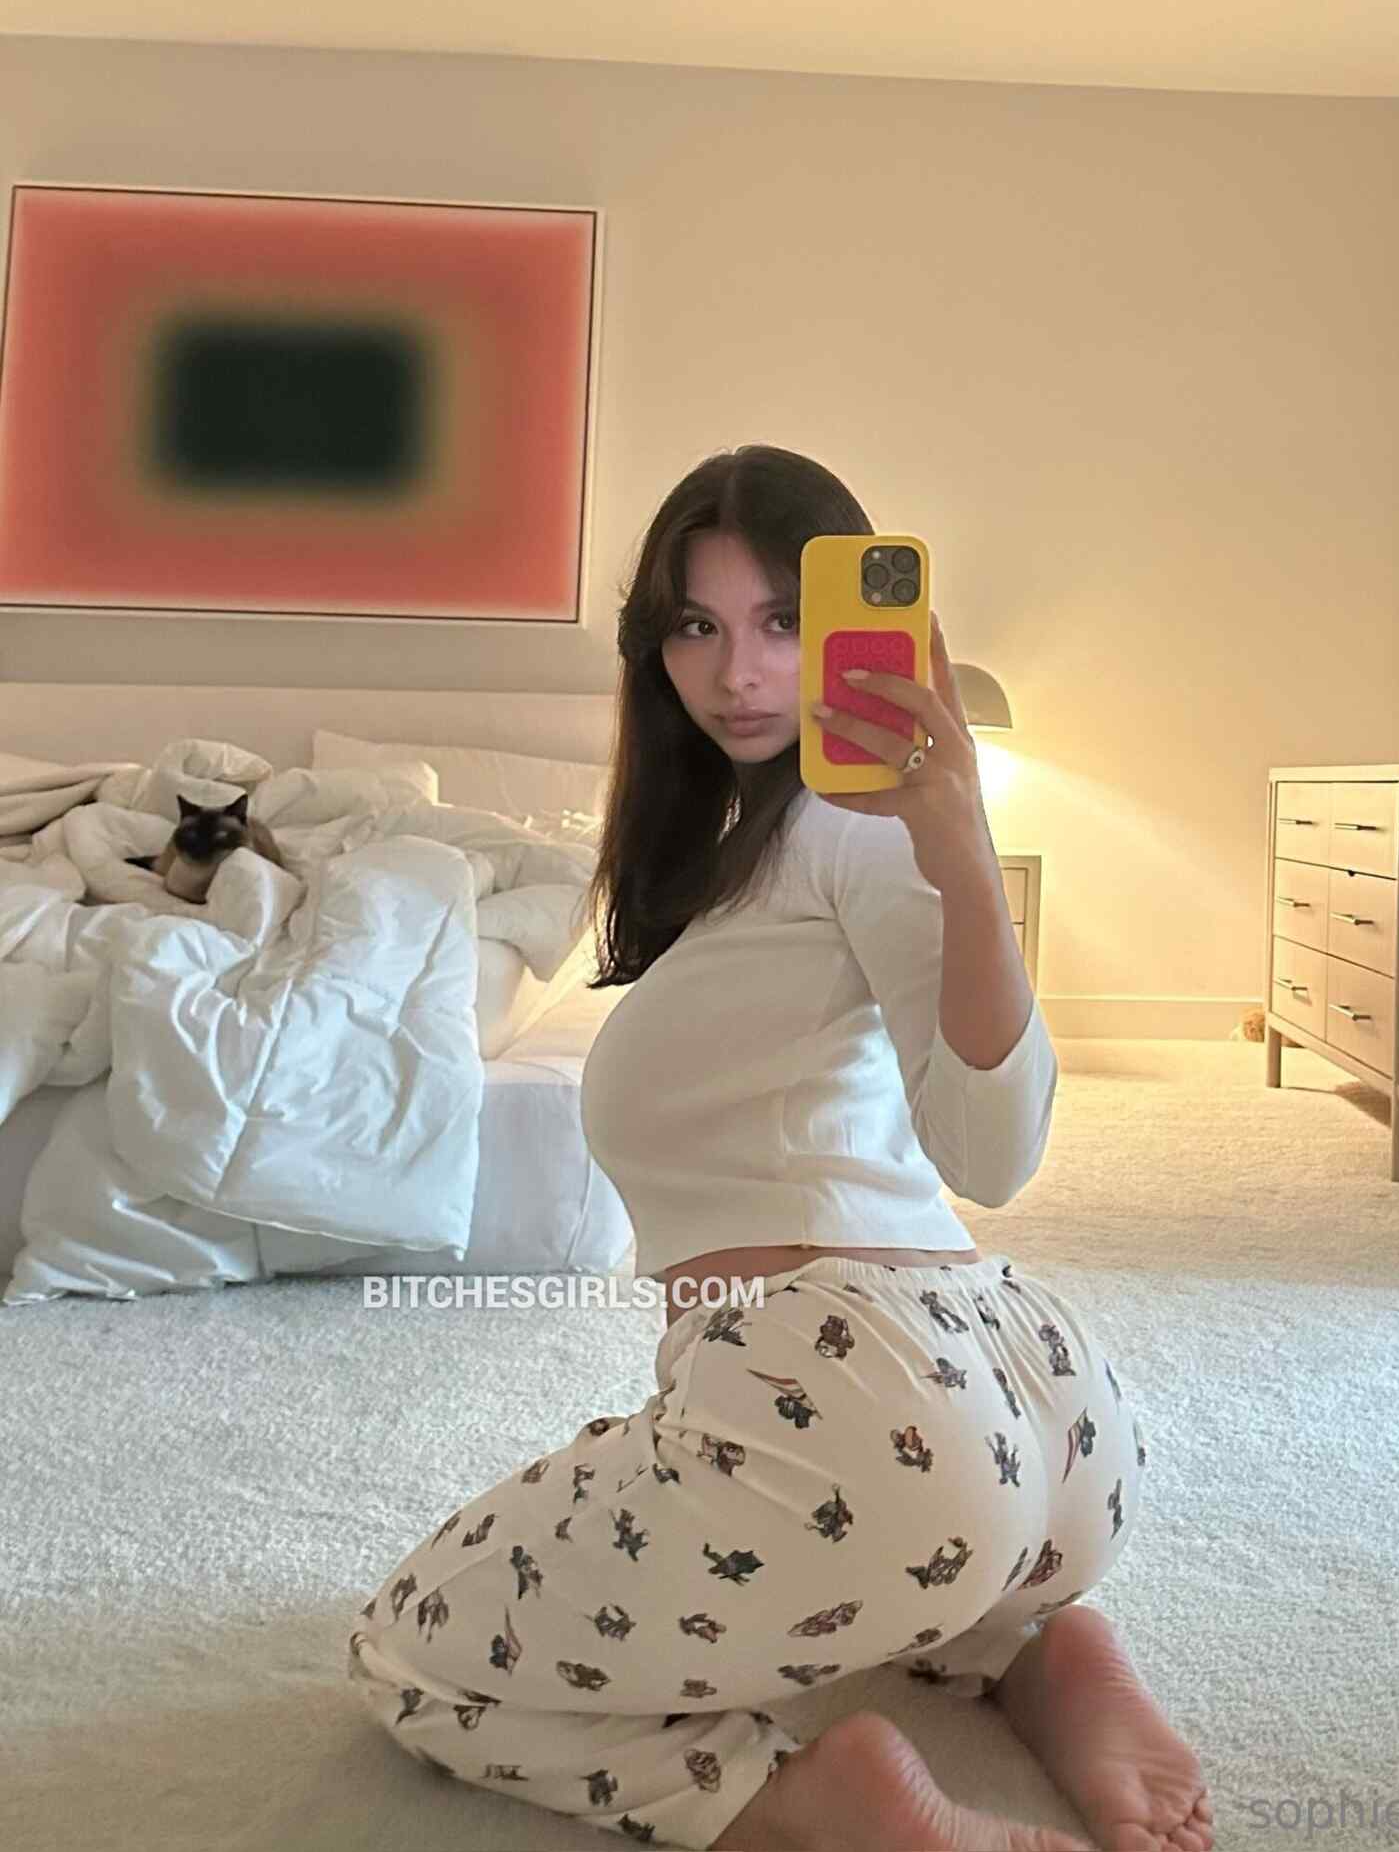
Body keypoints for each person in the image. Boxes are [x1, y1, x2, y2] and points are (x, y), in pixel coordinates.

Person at [346, 446, 1215, 1852]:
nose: (738, 672)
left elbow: (992, 1152)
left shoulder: (854, 830)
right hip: (1038, 1403)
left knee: (415, 1647)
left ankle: (816, 1798)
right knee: (847, 1535)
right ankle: (1035, 1643)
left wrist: (962, 850)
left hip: (867, 1408)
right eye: (696, 625)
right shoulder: (754, 846)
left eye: (784, 622)